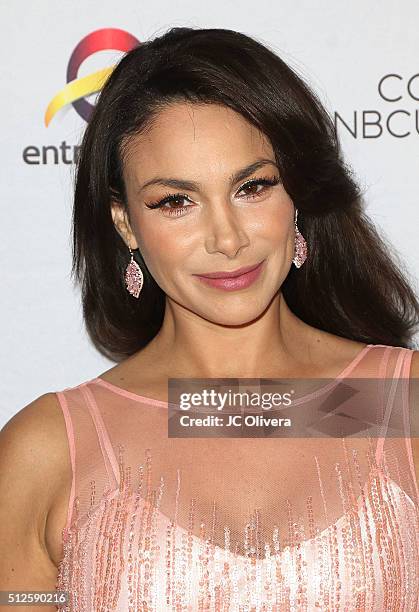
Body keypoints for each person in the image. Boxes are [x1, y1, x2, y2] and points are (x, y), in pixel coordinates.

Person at [1, 26, 419, 611]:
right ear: (126, 223)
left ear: (294, 193)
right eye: (176, 201)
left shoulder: (399, 406)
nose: (227, 239)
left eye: (253, 187)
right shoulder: (47, 450)